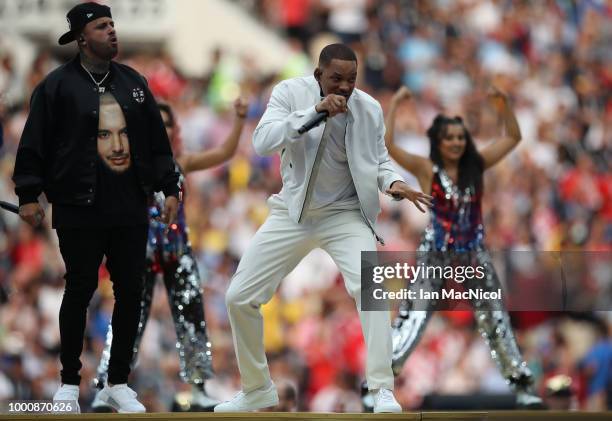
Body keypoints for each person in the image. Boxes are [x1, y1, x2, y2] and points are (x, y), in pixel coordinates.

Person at [214, 43, 432, 413]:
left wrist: (393, 183)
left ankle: (381, 389)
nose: (345, 86)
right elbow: (263, 141)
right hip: (292, 213)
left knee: (371, 286)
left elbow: (379, 161)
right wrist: (314, 111)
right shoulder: (289, 93)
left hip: (345, 215)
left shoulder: (369, 109)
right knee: (238, 297)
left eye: (351, 79)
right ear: (318, 75)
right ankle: (256, 390)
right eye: (336, 78)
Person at [11, 2, 179, 413]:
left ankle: (117, 383)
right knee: (80, 289)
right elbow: (33, 146)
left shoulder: (135, 84)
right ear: (82, 37)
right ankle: (69, 383)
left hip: (129, 205)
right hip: (77, 206)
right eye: (103, 26)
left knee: (132, 293)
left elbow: (158, 144)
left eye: (113, 24)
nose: (112, 31)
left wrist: (170, 187)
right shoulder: (54, 87)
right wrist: (29, 196)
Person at [384, 86, 543, 408]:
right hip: (437, 251)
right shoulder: (427, 169)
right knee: (414, 317)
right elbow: (388, 145)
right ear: (438, 142)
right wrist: (396, 105)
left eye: (460, 137)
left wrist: (503, 104)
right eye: (449, 138)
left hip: (473, 252)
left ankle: (522, 386)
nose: (456, 142)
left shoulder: (477, 165)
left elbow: (513, 138)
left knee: (495, 318)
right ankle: (380, 382)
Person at [91, 98, 249, 411]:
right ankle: (106, 387)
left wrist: (240, 120)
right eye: (156, 123)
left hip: (179, 253)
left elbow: (225, 153)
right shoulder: (128, 162)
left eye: (167, 123)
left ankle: (199, 388)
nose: (161, 128)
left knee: (192, 319)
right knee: (128, 321)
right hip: (140, 254)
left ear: (174, 129)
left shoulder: (182, 162)